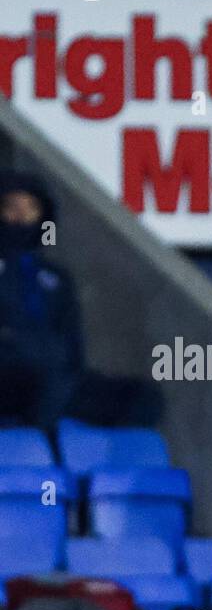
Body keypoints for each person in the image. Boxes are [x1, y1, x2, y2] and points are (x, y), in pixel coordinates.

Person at [0, 171, 162, 431]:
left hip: (56, 381)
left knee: (140, 397)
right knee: (43, 377)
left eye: (30, 208)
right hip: (11, 378)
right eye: (11, 207)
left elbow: (73, 348)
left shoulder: (56, 278)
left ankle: (55, 441)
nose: (21, 217)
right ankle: (39, 442)